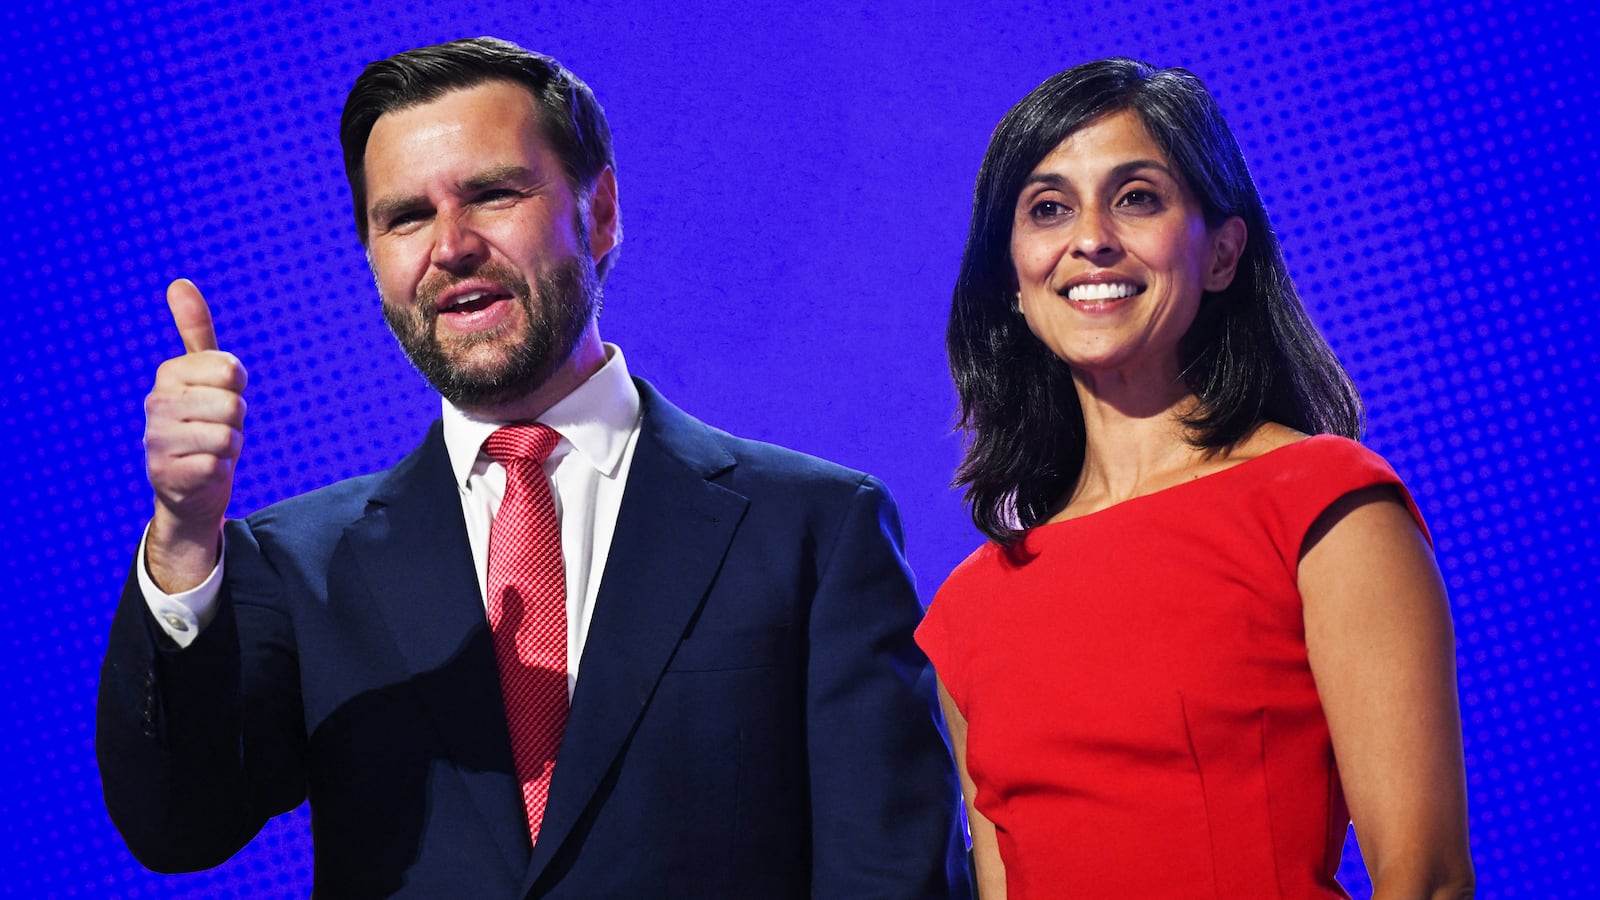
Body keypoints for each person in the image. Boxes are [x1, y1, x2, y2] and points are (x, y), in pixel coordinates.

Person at [97, 36, 969, 898]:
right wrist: (180, 538)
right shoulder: (294, 565)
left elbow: (892, 873)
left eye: (492, 194)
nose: (451, 246)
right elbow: (179, 827)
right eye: (405, 216)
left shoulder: (813, 528)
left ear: (599, 212)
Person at [917, 58, 1474, 898]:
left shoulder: (1324, 506)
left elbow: (1424, 878)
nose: (1091, 237)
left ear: (1221, 253)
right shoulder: (967, 608)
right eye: (1049, 208)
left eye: (1137, 197)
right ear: (1014, 284)